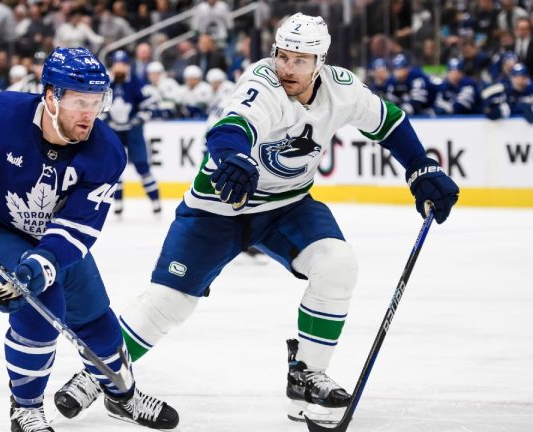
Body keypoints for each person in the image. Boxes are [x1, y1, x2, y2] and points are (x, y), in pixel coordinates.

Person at [53, 13, 460, 425]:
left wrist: (420, 167)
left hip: (287, 206)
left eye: (300, 60)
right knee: (168, 303)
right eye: (282, 56)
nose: (287, 68)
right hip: (219, 208)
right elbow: (230, 129)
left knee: (338, 265)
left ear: (321, 61)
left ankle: (308, 375)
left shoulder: (343, 89)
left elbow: (389, 123)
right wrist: (233, 158)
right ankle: (98, 375)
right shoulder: (263, 83)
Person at [0, 47, 178, 432]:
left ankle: (122, 397)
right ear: (51, 96)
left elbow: (78, 227)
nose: (90, 113)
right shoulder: (1, 115)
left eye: (97, 101)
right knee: (40, 304)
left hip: (52, 242)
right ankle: (25, 409)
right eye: (79, 101)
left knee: (96, 318)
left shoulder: (105, 152)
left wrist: (44, 262)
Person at [104, 49, 162, 216]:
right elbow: (99, 105)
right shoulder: (108, 84)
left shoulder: (137, 83)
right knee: (115, 167)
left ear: (128, 66)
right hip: (115, 132)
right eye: (116, 64)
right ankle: (118, 203)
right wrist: (107, 118)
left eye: (122, 64)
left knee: (142, 165)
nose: (119, 68)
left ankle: (156, 201)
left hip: (133, 132)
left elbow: (151, 106)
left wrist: (138, 119)